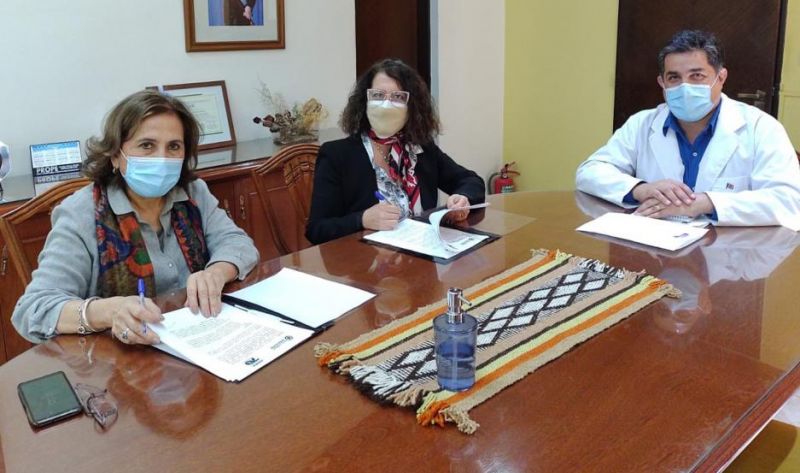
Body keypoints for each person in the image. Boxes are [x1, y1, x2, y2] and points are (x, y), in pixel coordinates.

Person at [12, 90, 259, 344]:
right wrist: (107, 312)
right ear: (115, 155)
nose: (162, 158)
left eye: (174, 146)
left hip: (199, 338)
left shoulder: (193, 192)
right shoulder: (81, 213)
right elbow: (33, 309)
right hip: (119, 357)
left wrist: (216, 272)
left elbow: (238, 243)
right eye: (147, 145)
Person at [576, 30, 800, 230]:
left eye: (697, 76)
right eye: (674, 77)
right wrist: (641, 189)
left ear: (721, 78)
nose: (685, 86)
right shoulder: (642, 123)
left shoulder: (761, 127)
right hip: (654, 245)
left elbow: (789, 200)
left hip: (728, 252)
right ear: (662, 83)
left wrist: (705, 203)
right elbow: (590, 172)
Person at [305, 58, 486, 245]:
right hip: (366, 259)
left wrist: (462, 198)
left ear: (412, 106)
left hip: (424, 254)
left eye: (398, 97)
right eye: (378, 95)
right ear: (364, 101)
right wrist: (361, 219)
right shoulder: (337, 155)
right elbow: (317, 230)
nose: (386, 104)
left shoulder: (421, 148)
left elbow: (471, 181)